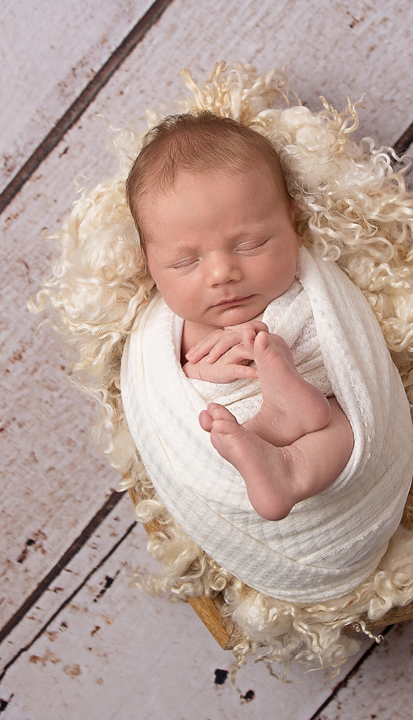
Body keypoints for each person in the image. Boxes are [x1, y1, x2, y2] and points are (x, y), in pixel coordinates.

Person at [125, 112, 354, 522]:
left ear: (293, 223)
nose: (221, 274)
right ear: (150, 266)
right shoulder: (169, 334)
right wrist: (208, 374)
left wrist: (278, 349)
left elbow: (357, 358)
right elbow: (173, 394)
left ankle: (294, 461)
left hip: (320, 409)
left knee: (346, 427)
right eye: (185, 262)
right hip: (240, 435)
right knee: (223, 432)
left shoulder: (310, 294)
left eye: (250, 244)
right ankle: (274, 445)